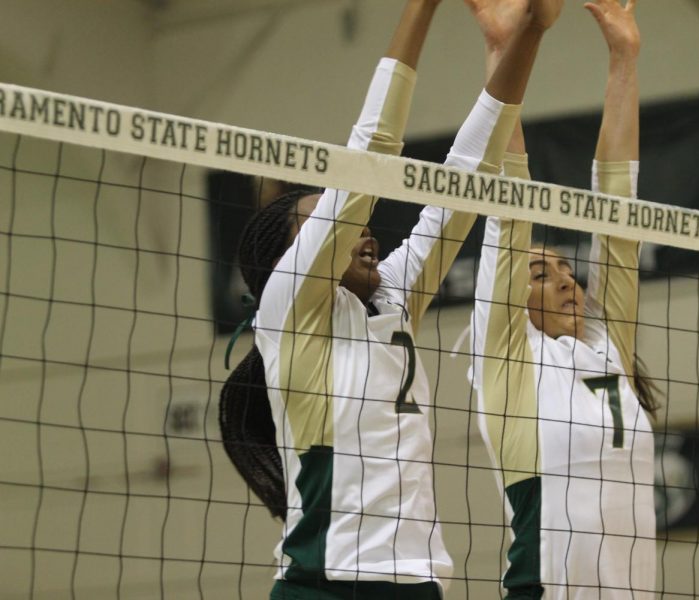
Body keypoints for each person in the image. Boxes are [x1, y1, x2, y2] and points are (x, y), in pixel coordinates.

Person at [218, 0, 564, 598]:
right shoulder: (292, 310)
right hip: (322, 585)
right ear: (295, 257)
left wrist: (528, 33)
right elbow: (373, 146)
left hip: (417, 582)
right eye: (328, 226)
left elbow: (470, 173)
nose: (365, 232)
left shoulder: (393, 298)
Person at [468, 0, 658, 598]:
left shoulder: (609, 347)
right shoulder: (508, 360)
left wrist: (624, 57)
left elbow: (618, 216)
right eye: (540, 274)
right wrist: (505, 49)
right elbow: (509, 206)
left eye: (567, 270)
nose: (566, 281)